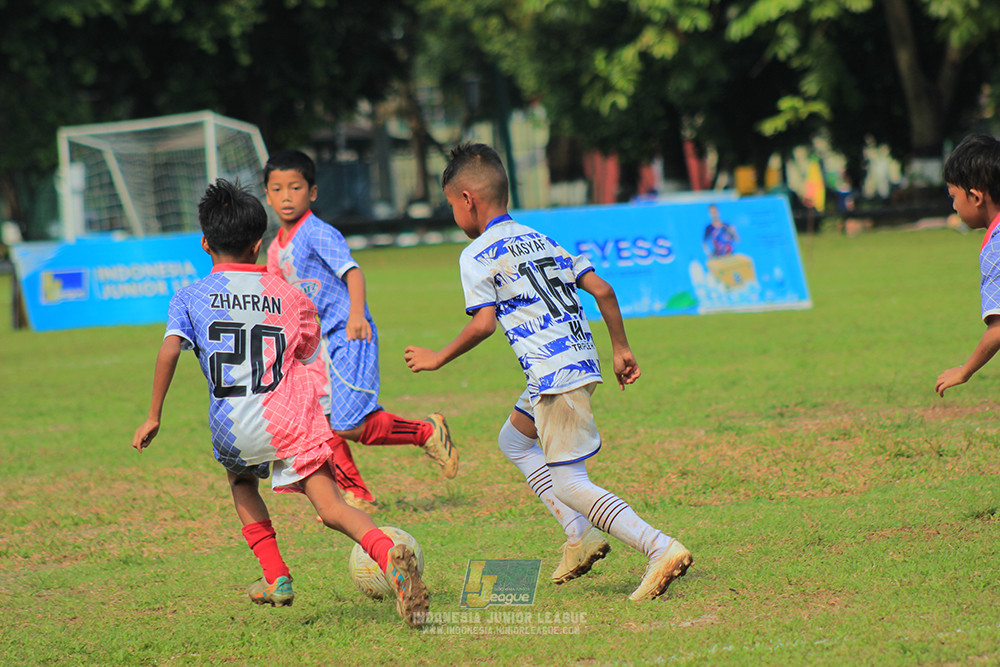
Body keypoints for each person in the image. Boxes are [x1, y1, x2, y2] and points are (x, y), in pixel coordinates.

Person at [131, 179, 428, 627]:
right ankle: (390, 558)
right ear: (258, 242)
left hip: (233, 427)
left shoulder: (189, 297)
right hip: (289, 422)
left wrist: (154, 415)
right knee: (331, 508)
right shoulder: (291, 295)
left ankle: (276, 575)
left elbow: (170, 348)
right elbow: (307, 350)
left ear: (205, 242)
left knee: (242, 483)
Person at [404, 143, 692, 601]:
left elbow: (482, 324)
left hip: (555, 375)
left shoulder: (477, 254)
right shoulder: (542, 238)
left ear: (467, 201)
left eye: (450, 205)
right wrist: (621, 349)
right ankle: (580, 539)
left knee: (570, 482)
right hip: (574, 362)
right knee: (513, 439)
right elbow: (604, 289)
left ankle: (660, 547)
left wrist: (438, 356)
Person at [264, 151, 459, 511]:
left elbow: (352, 272)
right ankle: (358, 494)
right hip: (314, 349)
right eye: (277, 189)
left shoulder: (318, 233)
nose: (286, 196)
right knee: (322, 423)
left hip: (347, 334)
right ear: (267, 195)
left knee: (349, 424)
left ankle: (426, 432)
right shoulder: (276, 249)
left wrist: (357, 315)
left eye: (295, 187)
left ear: (313, 192)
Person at [936, 134, 1000, 398]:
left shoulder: (996, 249)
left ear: (975, 197)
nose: (954, 206)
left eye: (954, 197)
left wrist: (965, 370)